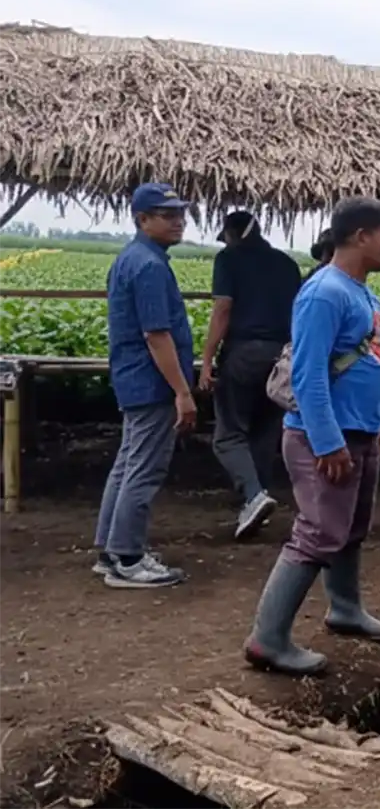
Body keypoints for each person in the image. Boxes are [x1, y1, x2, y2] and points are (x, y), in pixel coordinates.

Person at [243, 197, 380, 677]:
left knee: (350, 528)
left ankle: (345, 609)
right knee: (318, 534)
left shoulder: (360, 292)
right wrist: (327, 441)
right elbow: (308, 375)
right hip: (325, 438)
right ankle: (268, 638)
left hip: (361, 430)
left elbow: (375, 357)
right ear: (360, 237)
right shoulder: (324, 293)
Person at [92, 182, 195, 589]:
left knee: (127, 465)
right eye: (167, 215)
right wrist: (183, 392)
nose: (178, 222)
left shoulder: (133, 258)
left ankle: (111, 550)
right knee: (144, 469)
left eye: (180, 214)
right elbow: (157, 334)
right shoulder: (149, 265)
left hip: (134, 378)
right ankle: (129, 559)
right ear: (142, 219)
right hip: (151, 382)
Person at [200, 211, 302, 541]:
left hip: (244, 353)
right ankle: (255, 498)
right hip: (282, 355)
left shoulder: (229, 259)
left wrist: (206, 358)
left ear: (233, 234)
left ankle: (253, 495)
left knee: (228, 434)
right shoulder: (287, 265)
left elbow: (223, 310)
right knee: (265, 430)